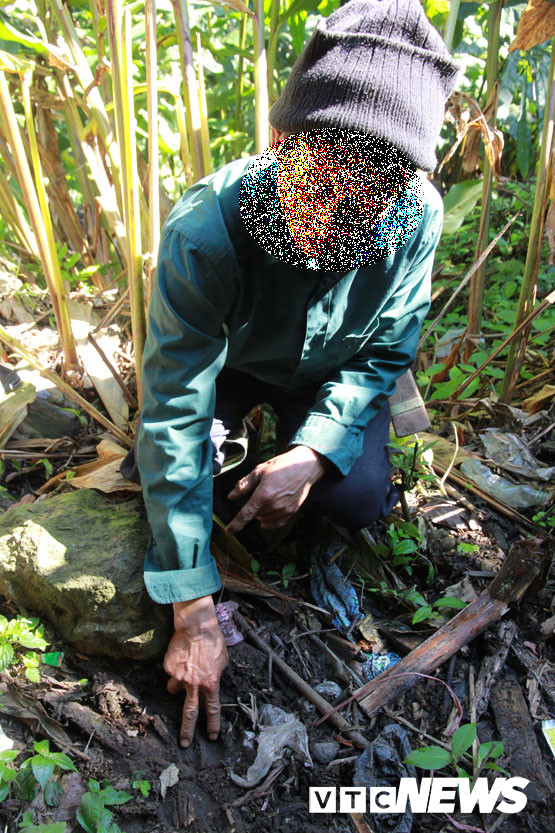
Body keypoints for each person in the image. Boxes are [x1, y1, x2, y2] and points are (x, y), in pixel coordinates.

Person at [135, 0, 460, 748]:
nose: (331, 221)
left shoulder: (413, 216)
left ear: (399, 189)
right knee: (192, 483)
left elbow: (383, 352)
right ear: (279, 142)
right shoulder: (206, 231)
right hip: (237, 366)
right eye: (317, 186)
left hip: (333, 370)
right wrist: (191, 607)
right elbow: (174, 405)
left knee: (355, 495)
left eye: (366, 201)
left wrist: (312, 452)